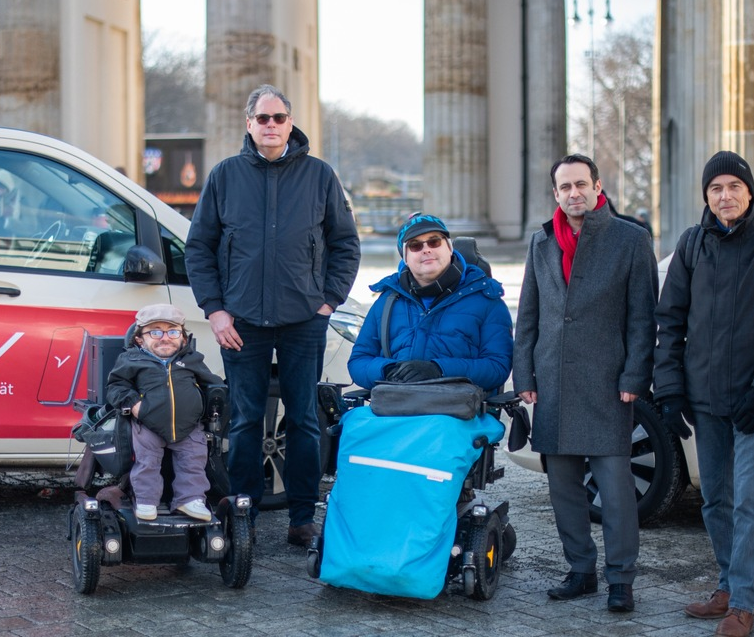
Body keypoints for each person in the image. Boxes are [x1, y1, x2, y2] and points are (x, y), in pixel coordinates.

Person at [185, 84, 361, 548]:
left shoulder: (320, 176)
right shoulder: (225, 176)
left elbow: (345, 244)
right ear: (248, 124)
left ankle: (302, 517)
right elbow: (199, 248)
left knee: (303, 418)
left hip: (304, 319)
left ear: (290, 123)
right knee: (244, 420)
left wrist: (328, 302)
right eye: (262, 118)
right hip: (241, 321)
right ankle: (244, 512)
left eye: (278, 118)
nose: (270, 126)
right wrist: (216, 311)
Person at [654, 151, 754, 637]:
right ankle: (726, 584)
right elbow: (670, 321)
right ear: (706, 196)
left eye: (733, 187)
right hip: (705, 398)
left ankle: (743, 603)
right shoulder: (692, 245)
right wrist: (671, 391)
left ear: (749, 191)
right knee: (715, 498)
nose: (725, 196)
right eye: (715, 189)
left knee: (749, 500)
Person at [512, 154, 657, 613]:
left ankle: (621, 579)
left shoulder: (631, 240)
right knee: (564, 490)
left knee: (615, 492)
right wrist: (525, 375)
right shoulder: (540, 243)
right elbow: (528, 317)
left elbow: (643, 318)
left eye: (581, 184)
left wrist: (636, 375)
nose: (574, 193)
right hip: (552, 381)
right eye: (564, 187)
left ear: (597, 187)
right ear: (555, 194)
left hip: (608, 384)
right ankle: (581, 571)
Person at [347, 213, 513, 395]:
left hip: (459, 411)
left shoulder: (486, 300)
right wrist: (388, 370)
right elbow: (359, 360)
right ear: (405, 258)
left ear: (449, 248)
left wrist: (439, 369)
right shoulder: (387, 301)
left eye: (434, 242)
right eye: (415, 245)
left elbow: (498, 366)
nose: (426, 249)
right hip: (395, 406)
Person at [105, 303, 225, 523]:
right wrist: (135, 405)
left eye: (172, 332)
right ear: (140, 338)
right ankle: (146, 500)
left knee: (194, 459)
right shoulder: (132, 359)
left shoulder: (191, 360)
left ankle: (189, 499)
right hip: (148, 422)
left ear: (183, 338)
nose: (165, 338)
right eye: (155, 332)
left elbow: (212, 384)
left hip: (188, 424)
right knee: (147, 461)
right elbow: (116, 387)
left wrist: (210, 402)